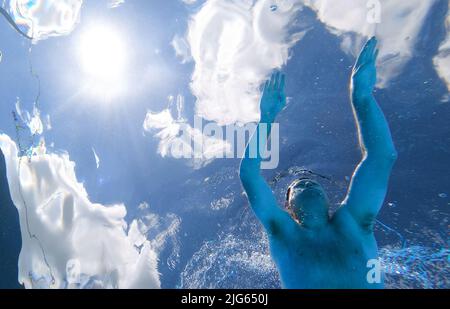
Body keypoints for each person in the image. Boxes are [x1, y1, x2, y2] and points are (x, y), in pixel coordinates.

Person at [239, 37, 397, 288]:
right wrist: (266, 118)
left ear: (327, 202)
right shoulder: (284, 233)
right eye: (299, 184)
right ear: (288, 206)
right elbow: (249, 176)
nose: (309, 182)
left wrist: (362, 97)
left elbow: (381, 157)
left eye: (312, 184)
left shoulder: (352, 222)